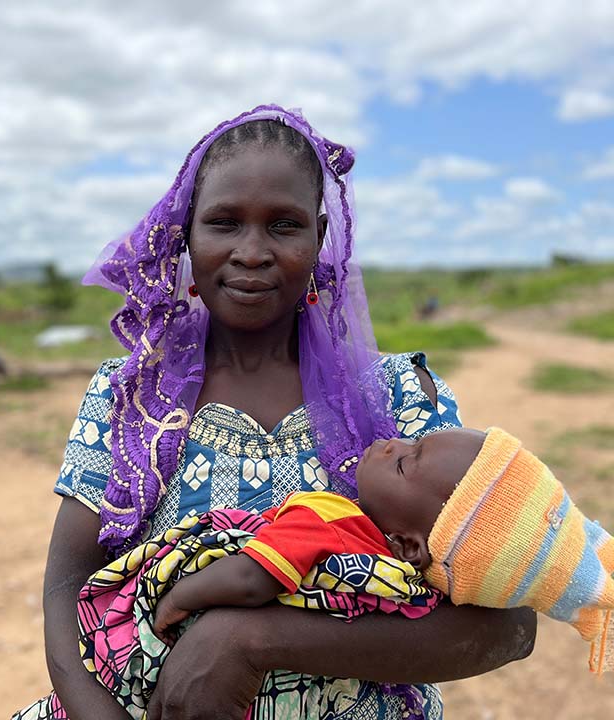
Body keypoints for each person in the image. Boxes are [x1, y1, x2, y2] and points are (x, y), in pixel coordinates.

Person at [27, 106, 536, 720]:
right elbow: (66, 590)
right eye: (223, 223)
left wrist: (250, 643)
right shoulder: (128, 398)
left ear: (319, 237)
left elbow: (508, 625)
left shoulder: (401, 398)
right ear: (186, 234)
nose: (251, 252)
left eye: (284, 225)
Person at [17, 426, 614, 718]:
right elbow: (62, 580)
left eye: (405, 460)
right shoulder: (413, 579)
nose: (390, 441)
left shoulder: (330, 517)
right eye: (224, 221)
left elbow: (252, 576)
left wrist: (186, 601)